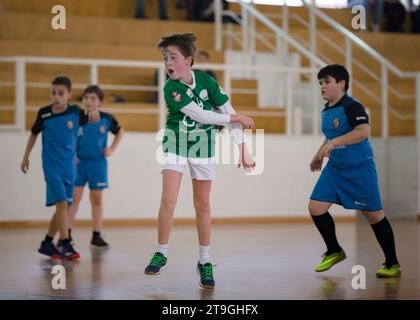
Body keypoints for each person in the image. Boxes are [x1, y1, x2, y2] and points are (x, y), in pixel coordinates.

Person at [144, 33, 256, 289]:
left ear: (188, 60)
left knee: (203, 204)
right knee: (169, 198)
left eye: (172, 57)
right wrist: (235, 119)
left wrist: (243, 148)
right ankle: (161, 251)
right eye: (165, 58)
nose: (168, 63)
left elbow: (228, 111)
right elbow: (203, 115)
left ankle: (205, 261)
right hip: (175, 142)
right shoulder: (170, 87)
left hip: (203, 148)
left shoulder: (207, 81)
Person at [308, 64, 401, 278]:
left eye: (326, 81)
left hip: (359, 169)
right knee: (316, 207)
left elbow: (362, 132)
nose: (322, 86)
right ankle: (334, 250)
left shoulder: (352, 106)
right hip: (335, 169)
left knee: (374, 216)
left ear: (341, 83)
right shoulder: (327, 109)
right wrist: (318, 155)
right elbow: (331, 136)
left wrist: (334, 143)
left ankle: (392, 263)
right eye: (320, 82)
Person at [20, 76, 99, 261]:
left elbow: (91, 115)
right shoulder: (44, 113)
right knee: (62, 203)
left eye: (61, 93)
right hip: (51, 166)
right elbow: (33, 134)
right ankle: (65, 243)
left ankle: (47, 242)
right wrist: (25, 157)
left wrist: (94, 114)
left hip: (69, 167)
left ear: (69, 95)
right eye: (53, 93)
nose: (56, 97)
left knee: (64, 206)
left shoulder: (75, 112)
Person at [64, 85, 124, 249]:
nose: (89, 101)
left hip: (98, 164)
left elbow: (120, 131)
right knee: (74, 198)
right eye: (86, 98)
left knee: (97, 199)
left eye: (93, 98)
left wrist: (111, 148)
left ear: (100, 102)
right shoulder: (76, 117)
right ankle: (66, 235)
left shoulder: (106, 118)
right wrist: (72, 154)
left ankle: (96, 235)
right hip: (78, 164)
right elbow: (67, 136)